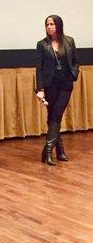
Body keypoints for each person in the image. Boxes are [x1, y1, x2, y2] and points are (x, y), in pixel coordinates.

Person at [36, 15, 79, 165]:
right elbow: (39, 68)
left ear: (58, 25)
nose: (49, 26)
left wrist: (74, 74)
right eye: (47, 24)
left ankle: (47, 151)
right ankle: (59, 149)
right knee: (52, 116)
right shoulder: (42, 44)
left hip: (66, 84)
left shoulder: (69, 41)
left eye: (52, 24)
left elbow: (74, 61)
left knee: (57, 114)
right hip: (50, 85)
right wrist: (40, 88)